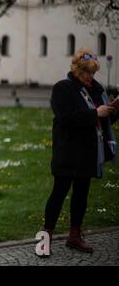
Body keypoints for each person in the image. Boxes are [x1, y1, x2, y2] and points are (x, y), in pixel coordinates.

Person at [39, 47, 118, 256]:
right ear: (76, 70)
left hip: (88, 154)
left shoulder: (96, 89)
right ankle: (44, 239)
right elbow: (65, 119)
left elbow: (102, 121)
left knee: (81, 195)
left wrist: (112, 111)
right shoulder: (63, 88)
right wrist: (95, 113)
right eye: (86, 72)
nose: (90, 77)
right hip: (67, 152)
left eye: (92, 72)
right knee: (59, 194)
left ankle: (75, 236)